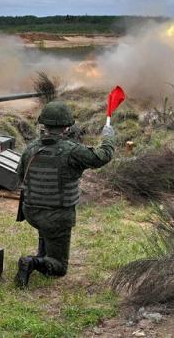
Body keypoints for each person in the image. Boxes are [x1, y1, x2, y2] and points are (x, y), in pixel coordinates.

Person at [14, 100, 115, 288]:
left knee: (47, 229)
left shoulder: (31, 148)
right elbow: (103, 156)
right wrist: (108, 137)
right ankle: (33, 263)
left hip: (31, 212)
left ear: (44, 124)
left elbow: (19, 175)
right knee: (59, 267)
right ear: (67, 127)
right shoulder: (72, 151)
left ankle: (42, 255)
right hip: (57, 216)